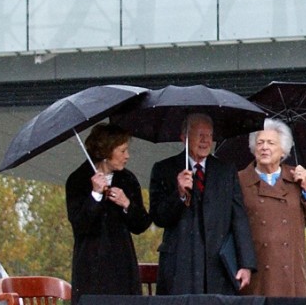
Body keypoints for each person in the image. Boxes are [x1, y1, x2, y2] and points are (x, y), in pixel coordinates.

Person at [149, 113, 257, 295]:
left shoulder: (226, 171)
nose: (205, 141)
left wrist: (246, 263)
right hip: (180, 267)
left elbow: (238, 218)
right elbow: (158, 217)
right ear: (184, 138)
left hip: (218, 267)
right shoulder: (164, 169)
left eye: (209, 135)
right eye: (199, 135)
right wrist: (180, 194)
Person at [238, 118, 306, 296]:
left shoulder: (297, 179)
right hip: (257, 274)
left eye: (271, 143)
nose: (264, 147)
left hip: (291, 276)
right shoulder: (239, 181)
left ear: (283, 151)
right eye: (260, 142)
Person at [65, 124, 151, 305]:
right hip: (91, 266)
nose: (127, 156)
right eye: (122, 151)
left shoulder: (127, 179)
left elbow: (141, 224)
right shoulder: (78, 180)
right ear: (106, 151)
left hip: (122, 264)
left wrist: (126, 203)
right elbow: (80, 225)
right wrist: (95, 195)